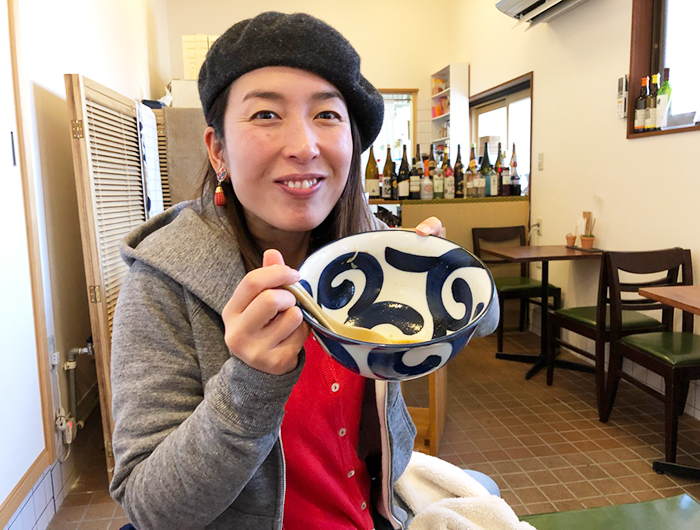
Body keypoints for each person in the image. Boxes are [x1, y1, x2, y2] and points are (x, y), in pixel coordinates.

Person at [109, 11, 498, 530]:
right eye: (266, 115)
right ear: (217, 148)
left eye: (328, 116)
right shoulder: (163, 279)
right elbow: (150, 508)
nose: (304, 146)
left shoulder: (372, 243)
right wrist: (250, 384)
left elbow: (488, 321)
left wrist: (452, 276)